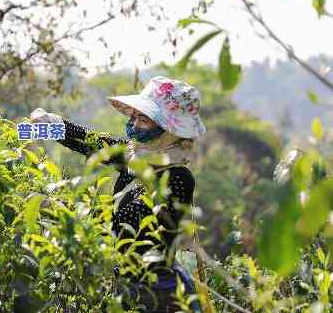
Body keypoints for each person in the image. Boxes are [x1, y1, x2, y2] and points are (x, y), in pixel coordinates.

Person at [29, 76, 205, 312]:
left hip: (158, 296)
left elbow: (141, 232)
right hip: (124, 286)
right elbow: (91, 142)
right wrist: (46, 125)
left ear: (170, 129)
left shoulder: (178, 178)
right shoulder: (134, 156)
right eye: (133, 116)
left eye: (144, 119)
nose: (134, 124)